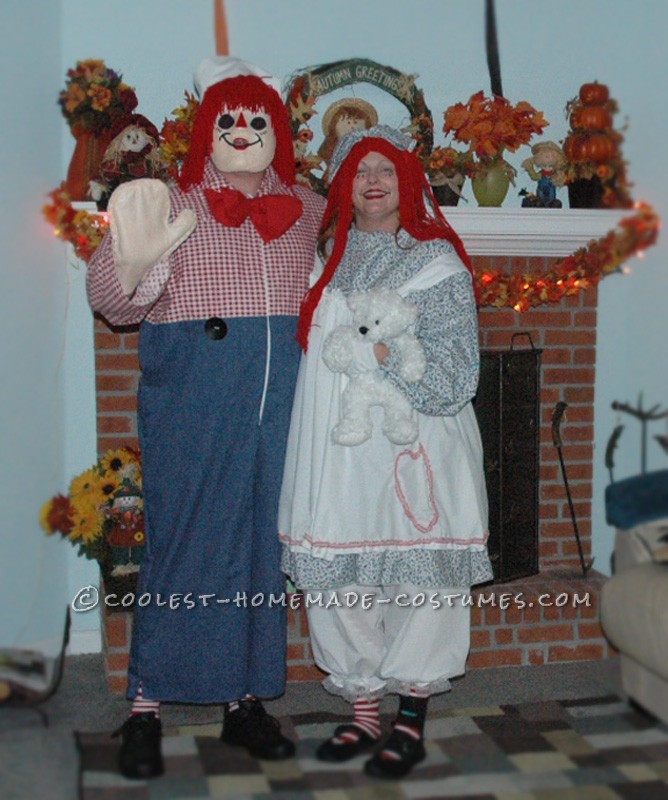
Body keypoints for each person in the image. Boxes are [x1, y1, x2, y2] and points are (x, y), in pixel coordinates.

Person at [86, 56, 325, 779]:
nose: (245, 131)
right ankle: (146, 706)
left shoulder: (307, 208)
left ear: (278, 131)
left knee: (259, 554)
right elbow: (113, 301)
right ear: (207, 131)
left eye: (259, 119)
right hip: (192, 400)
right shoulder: (168, 199)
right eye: (230, 119)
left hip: (278, 408)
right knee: (183, 549)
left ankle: (245, 701)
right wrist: (130, 264)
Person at [278, 125, 493, 780]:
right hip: (336, 452)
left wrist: (385, 358)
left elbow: (457, 375)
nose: (373, 180)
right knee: (343, 583)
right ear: (343, 184)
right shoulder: (320, 260)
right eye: (359, 170)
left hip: (416, 445)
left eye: (386, 169)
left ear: (408, 181)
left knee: (417, 581)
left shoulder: (436, 262)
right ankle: (364, 710)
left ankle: (411, 717)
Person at [317, 97, 378, 182]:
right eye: (347, 122)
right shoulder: (331, 148)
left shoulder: (368, 148)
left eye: (356, 122)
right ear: (334, 127)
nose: (351, 127)